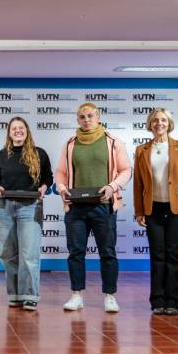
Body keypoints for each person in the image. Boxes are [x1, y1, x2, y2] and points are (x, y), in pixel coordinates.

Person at [55, 102, 131, 313]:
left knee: (107, 252)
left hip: (103, 206)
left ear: (98, 117)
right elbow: (60, 172)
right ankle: (76, 295)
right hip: (76, 207)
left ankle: (110, 296)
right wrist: (62, 188)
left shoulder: (113, 142)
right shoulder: (70, 144)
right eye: (82, 117)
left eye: (90, 116)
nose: (86, 120)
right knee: (75, 253)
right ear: (77, 120)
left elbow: (126, 170)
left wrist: (112, 186)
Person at [133, 108, 178, 316]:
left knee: (173, 254)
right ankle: (158, 300)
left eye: (163, 120)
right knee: (157, 254)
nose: (159, 123)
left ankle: (173, 301)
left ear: (169, 124)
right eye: (155, 120)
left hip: (177, 208)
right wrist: (139, 211)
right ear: (150, 124)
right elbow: (138, 184)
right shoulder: (141, 150)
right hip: (153, 208)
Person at [0, 117, 53, 311]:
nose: (18, 131)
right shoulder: (1, 155)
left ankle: (29, 295)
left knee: (29, 253)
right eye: (14, 128)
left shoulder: (39, 153)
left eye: (21, 128)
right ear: (9, 133)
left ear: (27, 131)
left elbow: (48, 177)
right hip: (5, 207)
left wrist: (44, 187)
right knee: (7, 253)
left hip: (30, 206)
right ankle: (15, 294)